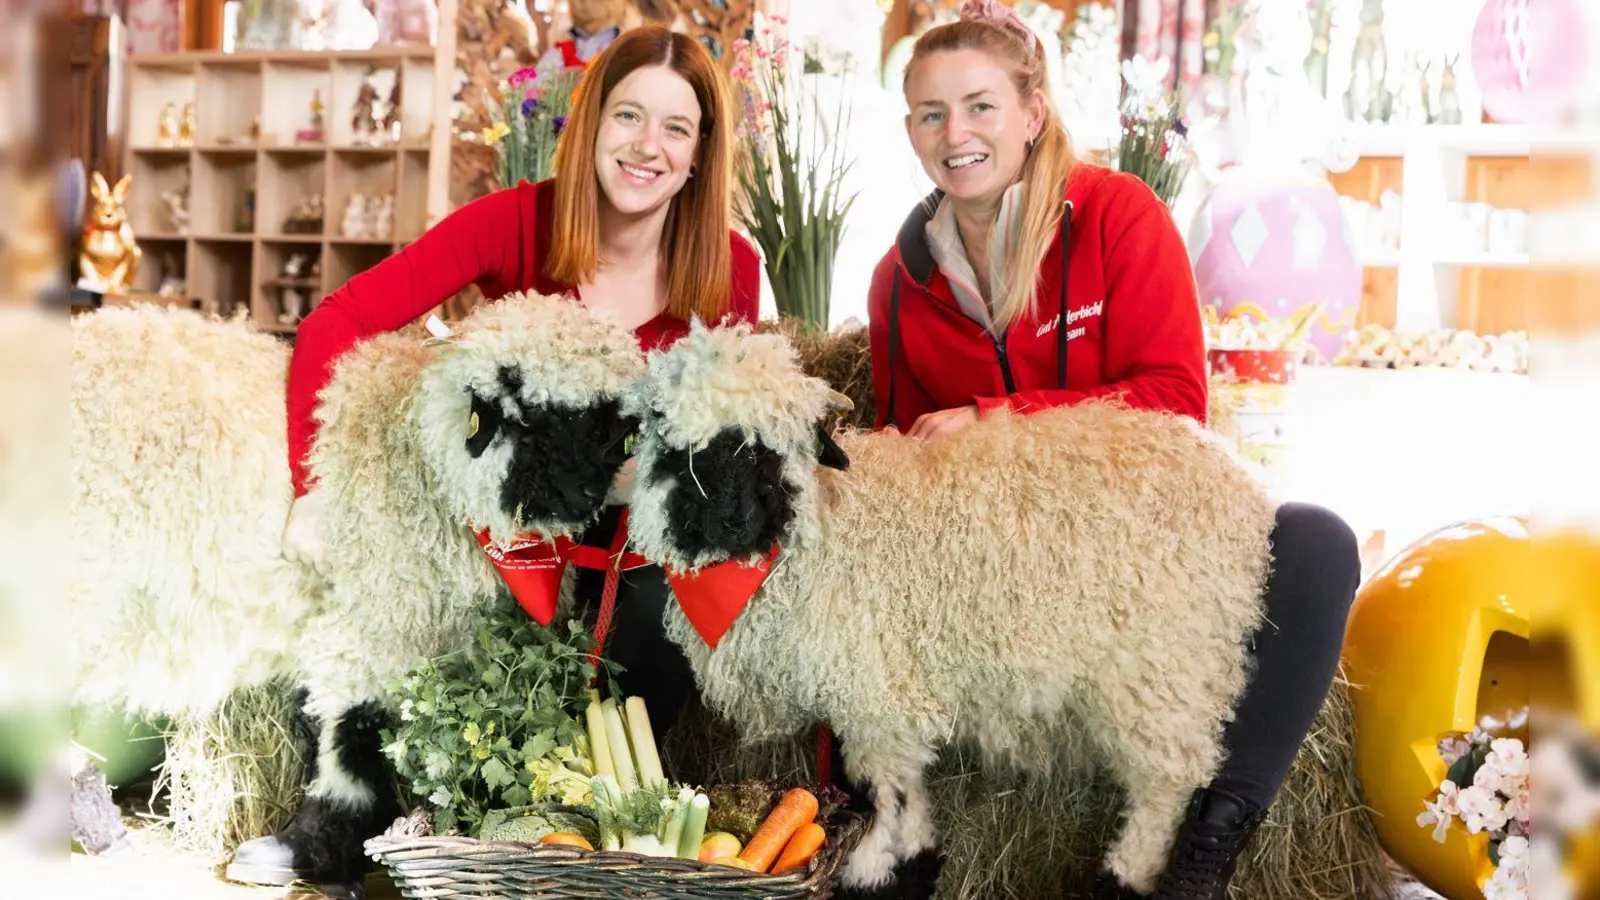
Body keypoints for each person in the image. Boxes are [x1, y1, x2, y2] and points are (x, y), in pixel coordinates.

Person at [237, 24, 760, 892]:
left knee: (655, 616)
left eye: (676, 128)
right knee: (396, 591)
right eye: (629, 116)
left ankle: (574, 843)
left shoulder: (728, 265)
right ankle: (339, 819)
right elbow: (339, 320)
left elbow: (722, 428)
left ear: (701, 153)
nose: (647, 146)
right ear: (591, 124)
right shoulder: (518, 220)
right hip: (509, 519)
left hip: (631, 536)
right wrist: (311, 488)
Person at [862, 2, 1361, 899]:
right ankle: (888, 824)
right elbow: (898, 463)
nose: (957, 133)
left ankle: (1211, 836)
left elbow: (1176, 402)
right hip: (1003, 580)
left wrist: (996, 417)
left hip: (1150, 541)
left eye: (980, 106)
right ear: (909, 130)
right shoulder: (900, 281)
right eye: (932, 114)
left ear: (1032, 112)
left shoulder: (1117, 216)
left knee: (1320, 543)